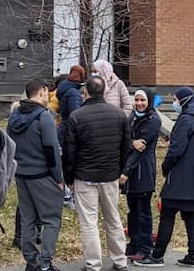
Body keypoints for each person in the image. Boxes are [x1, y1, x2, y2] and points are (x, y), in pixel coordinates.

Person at [64, 76, 131, 271]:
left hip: (85, 177)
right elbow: (126, 146)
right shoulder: (119, 115)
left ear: (86, 93)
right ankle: (120, 261)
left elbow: (70, 151)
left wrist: (68, 177)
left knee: (89, 222)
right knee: (113, 219)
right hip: (110, 176)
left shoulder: (76, 116)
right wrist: (119, 170)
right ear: (104, 92)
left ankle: (93, 264)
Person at [136, 87, 194, 268]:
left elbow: (176, 148)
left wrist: (166, 166)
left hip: (180, 177)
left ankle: (157, 255)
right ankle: (193, 255)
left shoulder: (186, 120)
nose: (174, 103)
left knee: (167, 214)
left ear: (183, 100)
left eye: (175, 99)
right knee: (190, 216)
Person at [7, 79, 65, 271]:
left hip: (21, 174)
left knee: (28, 219)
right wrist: (59, 178)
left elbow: (9, 145)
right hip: (42, 175)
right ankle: (45, 263)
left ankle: (31, 262)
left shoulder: (14, 115)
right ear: (41, 92)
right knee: (51, 220)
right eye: (47, 94)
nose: (48, 98)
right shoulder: (44, 117)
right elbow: (51, 150)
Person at [122, 90, 161, 262]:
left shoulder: (152, 120)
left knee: (143, 213)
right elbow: (124, 140)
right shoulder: (132, 117)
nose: (139, 103)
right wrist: (131, 142)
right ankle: (134, 243)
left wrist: (125, 172)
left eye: (142, 100)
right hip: (131, 176)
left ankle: (145, 248)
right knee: (133, 211)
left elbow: (139, 151)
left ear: (149, 101)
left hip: (142, 172)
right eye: (136, 100)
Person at [56, 66, 86, 206]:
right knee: (69, 161)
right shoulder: (73, 92)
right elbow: (75, 114)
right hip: (70, 131)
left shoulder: (63, 88)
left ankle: (65, 194)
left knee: (63, 160)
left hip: (63, 128)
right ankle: (68, 195)